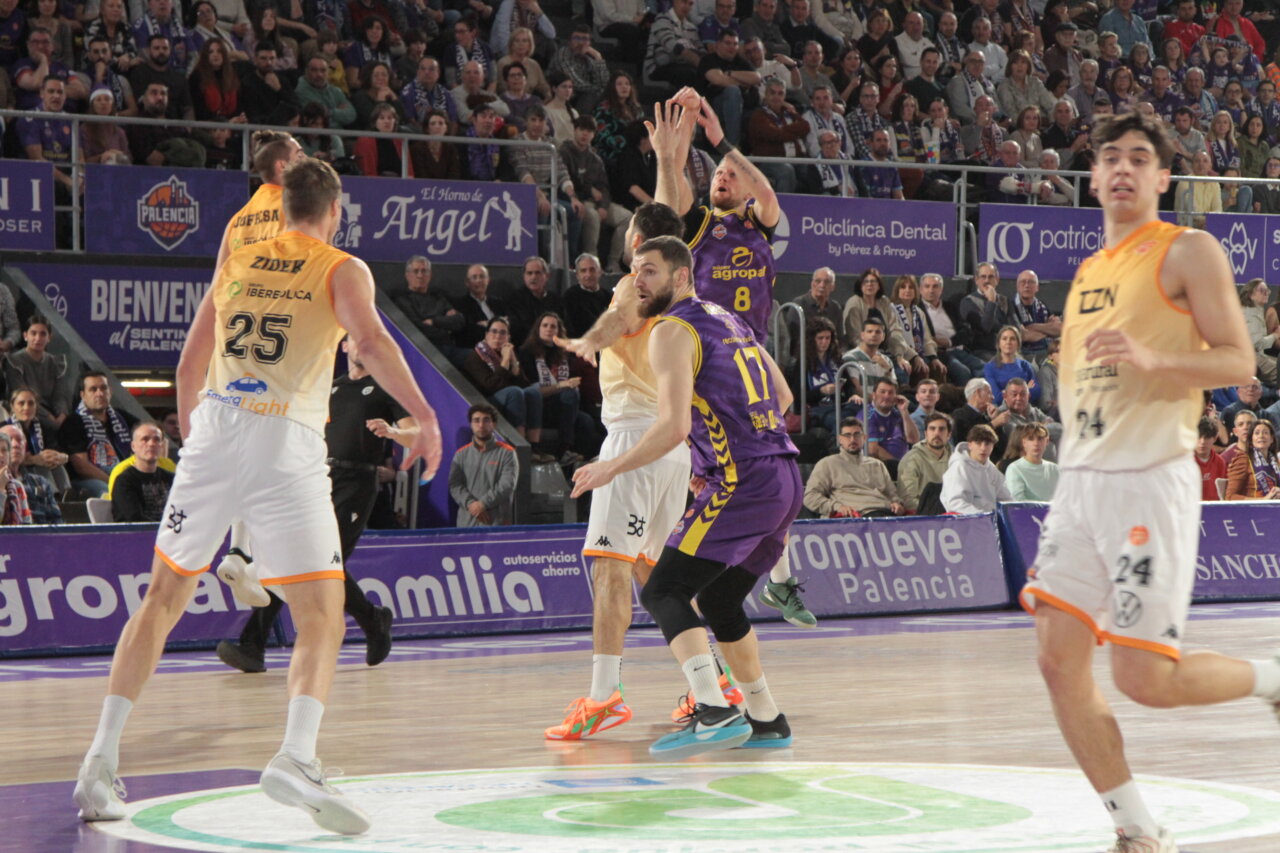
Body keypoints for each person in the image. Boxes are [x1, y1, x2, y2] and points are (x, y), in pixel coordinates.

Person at [74, 158, 442, 836]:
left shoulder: (238, 259)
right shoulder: (341, 267)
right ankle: (296, 756)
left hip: (215, 430)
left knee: (161, 600)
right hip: (284, 438)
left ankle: (98, 761)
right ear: (334, 211)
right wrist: (425, 414)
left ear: (282, 205)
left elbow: (189, 363)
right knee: (321, 613)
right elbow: (369, 341)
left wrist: (200, 443)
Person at [1018, 111, 1280, 852]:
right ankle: (1135, 828)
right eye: (1111, 157)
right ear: (1093, 175)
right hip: (1080, 486)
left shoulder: (1187, 248)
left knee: (1145, 680)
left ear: (1163, 177)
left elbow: (1238, 362)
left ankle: (1271, 678)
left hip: (1147, 482)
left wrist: (1155, 359)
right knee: (1056, 660)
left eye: (1139, 157)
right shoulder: (1088, 274)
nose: (1124, 168)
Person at [569, 234, 801, 760]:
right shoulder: (727, 318)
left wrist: (610, 467)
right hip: (784, 476)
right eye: (634, 269)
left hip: (745, 480)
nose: (638, 280)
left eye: (649, 270)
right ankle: (766, 717)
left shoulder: (671, 329)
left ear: (680, 276)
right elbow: (783, 396)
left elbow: (673, 426)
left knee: (663, 591)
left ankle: (714, 710)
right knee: (718, 601)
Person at [216, 334, 421, 672]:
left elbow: (416, 433)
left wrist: (394, 433)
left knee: (320, 561)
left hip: (357, 481)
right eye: (355, 339)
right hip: (317, 477)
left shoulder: (387, 386)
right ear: (344, 346)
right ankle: (371, 620)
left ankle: (255, 643)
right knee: (297, 560)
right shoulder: (330, 387)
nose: (361, 346)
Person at [462, 317, 549, 460]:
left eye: (503, 333)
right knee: (514, 392)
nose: (498, 336)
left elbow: (524, 386)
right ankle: (520, 446)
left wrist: (514, 362)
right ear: (486, 335)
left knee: (533, 392)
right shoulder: (475, 356)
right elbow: (491, 386)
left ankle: (534, 446)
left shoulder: (506, 354)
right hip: (485, 400)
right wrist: (504, 361)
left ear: (508, 337)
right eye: (494, 331)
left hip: (511, 396)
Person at [518, 312, 593, 465]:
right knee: (570, 393)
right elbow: (534, 390)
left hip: (561, 406)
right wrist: (563, 385)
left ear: (559, 331)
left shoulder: (564, 354)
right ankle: (563, 452)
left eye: (553, 326)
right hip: (539, 405)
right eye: (545, 325)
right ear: (538, 329)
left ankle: (583, 465)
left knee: (586, 421)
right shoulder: (527, 352)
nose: (549, 329)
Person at [803, 416, 905, 517]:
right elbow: (810, 497)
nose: (852, 439)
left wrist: (897, 503)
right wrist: (837, 507)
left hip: (885, 513)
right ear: (840, 439)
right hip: (854, 517)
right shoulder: (827, 464)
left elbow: (892, 495)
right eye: (847, 435)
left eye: (857, 435)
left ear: (864, 438)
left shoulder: (877, 464)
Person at [58, 372, 138, 498]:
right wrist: (116, 482)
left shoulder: (121, 417)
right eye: (93, 389)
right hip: (88, 481)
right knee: (108, 492)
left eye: (103, 388)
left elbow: (153, 431)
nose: (99, 393)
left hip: (123, 475)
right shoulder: (73, 422)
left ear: (110, 391)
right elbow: (82, 468)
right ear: (83, 395)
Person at [449, 403, 516, 527]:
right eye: (476, 420)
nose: (481, 425)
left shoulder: (507, 453)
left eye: (486, 420)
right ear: (471, 424)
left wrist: (482, 504)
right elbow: (455, 485)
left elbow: (507, 485)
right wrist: (470, 504)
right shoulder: (461, 454)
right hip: (466, 525)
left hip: (497, 524)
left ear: (494, 424)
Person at [393, 255, 463, 362]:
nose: (420, 275)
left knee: (477, 358)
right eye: (416, 271)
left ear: (430, 275)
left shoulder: (438, 297)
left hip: (450, 348)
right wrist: (446, 327)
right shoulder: (402, 300)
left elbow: (459, 320)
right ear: (408, 275)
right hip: (426, 352)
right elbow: (417, 328)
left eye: (424, 271)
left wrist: (433, 321)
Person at [3, 315, 69, 426]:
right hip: (25, 412)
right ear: (25, 336)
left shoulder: (55, 363)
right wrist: (48, 417)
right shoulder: (14, 361)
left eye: (43, 334)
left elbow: (59, 396)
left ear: (49, 337)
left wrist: (62, 415)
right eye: (33, 333)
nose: (38, 338)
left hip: (52, 412)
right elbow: (20, 394)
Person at [109, 422, 174, 522]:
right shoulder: (124, 481)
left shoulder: (171, 478)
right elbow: (134, 518)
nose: (151, 444)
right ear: (133, 446)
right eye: (145, 439)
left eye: (157, 440)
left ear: (161, 446)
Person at [941, 423, 1010, 512]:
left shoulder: (992, 470)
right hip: (966, 518)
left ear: (993, 446)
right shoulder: (959, 467)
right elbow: (955, 503)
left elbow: (1006, 499)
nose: (983, 448)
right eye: (978, 443)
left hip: (990, 517)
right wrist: (982, 516)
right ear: (970, 445)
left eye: (987, 444)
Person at [0, 423, 60, 524]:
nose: (15, 445)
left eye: (19, 440)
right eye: (10, 440)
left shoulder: (40, 482)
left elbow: (56, 520)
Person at [898, 411, 952, 514]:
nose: (937, 433)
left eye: (941, 429)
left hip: (951, 511)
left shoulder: (955, 459)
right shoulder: (911, 459)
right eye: (932, 429)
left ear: (949, 435)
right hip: (922, 514)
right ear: (926, 434)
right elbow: (907, 500)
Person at [863, 376, 919, 474]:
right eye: (883, 392)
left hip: (904, 466)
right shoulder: (868, 415)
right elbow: (872, 449)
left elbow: (913, 439)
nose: (887, 396)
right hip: (883, 469)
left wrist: (904, 411)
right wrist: (900, 466)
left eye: (891, 392)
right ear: (874, 395)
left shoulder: (897, 413)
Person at [952, 376, 1010, 456]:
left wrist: (996, 423)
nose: (993, 397)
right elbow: (965, 442)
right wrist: (993, 424)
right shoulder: (959, 415)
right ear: (978, 393)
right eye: (989, 393)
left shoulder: (988, 416)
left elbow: (1004, 447)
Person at [984, 325, 1041, 406]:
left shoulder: (1025, 365)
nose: (1008, 342)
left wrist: (1007, 393)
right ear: (999, 344)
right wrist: (1026, 389)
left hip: (1026, 409)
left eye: (1012, 339)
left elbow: (1037, 391)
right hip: (1003, 411)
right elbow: (997, 398)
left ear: (1018, 344)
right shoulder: (990, 368)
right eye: (1004, 339)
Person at [1226, 418, 1280, 500]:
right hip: (1252, 507)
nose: (1261, 436)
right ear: (1251, 439)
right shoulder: (1243, 460)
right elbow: (1230, 497)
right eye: (1257, 433)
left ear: (1272, 439)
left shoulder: (1276, 462)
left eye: (1265, 433)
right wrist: (1263, 500)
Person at [1001, 422, 1059, 500]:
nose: (1036, 443)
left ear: (1047, 441)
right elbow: (1017, 500)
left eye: (1040, 438)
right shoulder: (1014, 469)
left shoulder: (1055, 469)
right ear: (1024, 442)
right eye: (1031, 439)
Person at [564, 253, 611, 338]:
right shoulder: (569, 297)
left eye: (592, 270)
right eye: (583, 271)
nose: (588, 275)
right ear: (577, 275)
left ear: (600, 272)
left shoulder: (609, 297)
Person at [0, 431, 32, 525]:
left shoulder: (17, 486)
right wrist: (1, 488)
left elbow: (27, 525)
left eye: (4, 450)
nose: (1, 455)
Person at [1194, 416, 1228, 501]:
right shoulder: (1185, 462)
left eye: (1207, 437)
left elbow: (1224, 492)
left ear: (1215, 438)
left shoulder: (1220, 462)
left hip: (1214, 508)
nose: (1202, 442)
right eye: (1199, 437)